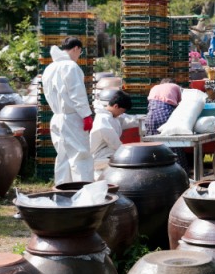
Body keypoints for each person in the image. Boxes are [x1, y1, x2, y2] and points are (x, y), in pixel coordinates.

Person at [41, 37, 93, 185]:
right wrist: (86, 115)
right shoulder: (71, 66)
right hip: (72, 118)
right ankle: (85, 191)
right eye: (80, 52)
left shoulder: (49, 68)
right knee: (80, 155)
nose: (79, 56)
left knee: (63, 157)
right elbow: (77, 94)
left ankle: (64, 191)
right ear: (76, 48)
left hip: (57, 117)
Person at [90, 90, 140, 180]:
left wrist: (144, 119)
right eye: (122, 111)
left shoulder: (112, 116)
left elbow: (127, 120)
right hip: (100, 158)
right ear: (116, 106)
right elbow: (115, 144)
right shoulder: (103, 120)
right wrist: (127, 153)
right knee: (104, 179)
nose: (122, 114)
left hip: (107, 154)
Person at [143, 79, 189, 171]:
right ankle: (181, 172)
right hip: (165, 115)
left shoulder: (154, 87)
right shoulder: (176, 87)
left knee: (153, 147)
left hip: (150, 117)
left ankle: (154, 171)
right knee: (174, 146)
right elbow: (183, 104)